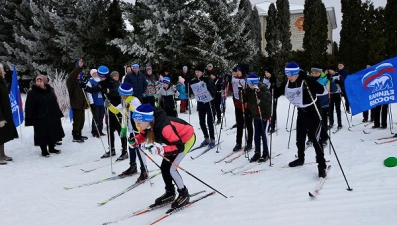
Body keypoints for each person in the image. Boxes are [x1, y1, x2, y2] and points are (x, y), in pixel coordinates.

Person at [131, 104, 196, 209]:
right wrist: (136, 140)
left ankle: (183, 193)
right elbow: (143, 135)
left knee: (172, 169)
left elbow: (179, 147)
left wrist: (161, 149)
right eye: (136, 121)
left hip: (185, 140)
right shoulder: (148, 124)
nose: (137, 124)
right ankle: (170, 192)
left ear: (148, 119)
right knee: (164, 167)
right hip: (173, 143)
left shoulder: (165, 128)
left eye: (140, 122)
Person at [275, 62, 328, 178]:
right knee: (300, 137)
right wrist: (271, 90)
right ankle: (300, 158)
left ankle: (321, 165)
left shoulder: (307, 80)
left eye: (293, 74)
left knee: (315, 137)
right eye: (288, 75)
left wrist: (311, 80)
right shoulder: (288, 82)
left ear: (298, 73)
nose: (291, 77)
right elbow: (277, 93)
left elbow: (321, 90)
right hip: (302, 111)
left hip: (314, 110)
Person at [113, 82, 148, 182]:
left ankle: (144, 170)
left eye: (121, 93)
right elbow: (116, 110)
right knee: (131, 147)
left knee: (139, 149)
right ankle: (133, 166)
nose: (120, 95)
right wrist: (109, 106)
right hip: (130, 128)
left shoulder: (135, 100)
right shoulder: (124, 101)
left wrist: (130, 107)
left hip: (138, 129)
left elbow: (139, 111)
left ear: (126, 93)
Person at [25, 75, 65, 157]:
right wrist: (29, 117)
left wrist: (58, 113)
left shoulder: (50, 91)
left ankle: (52, 148)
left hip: (52, 115)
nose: (39, 83)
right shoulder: (32, 93)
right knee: (42, 133)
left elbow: (55, 103)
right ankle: (44, 150)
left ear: (45, 82)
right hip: (39, 117)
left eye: (41, 81)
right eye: (37, 81)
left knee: (52, 131)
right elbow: (28, 106)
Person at [101, 70, 127, 158]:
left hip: (119, 109)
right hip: (110, 110)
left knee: (121, 130)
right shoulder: (108, 83)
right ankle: (111, 149)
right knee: (110, 130)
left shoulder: (119, 84)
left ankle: (124, 150)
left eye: (117, 76)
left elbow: (117, 91)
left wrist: (109, 91)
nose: (116, 78)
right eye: (114, 76)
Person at [245, 74, 271, 162]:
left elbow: (267, 101)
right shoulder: (249, 90)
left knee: (263, 134)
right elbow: (243, 100)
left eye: (253, 83)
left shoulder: (263, 88)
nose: (251, 86)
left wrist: (259, 93)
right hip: (256, 115)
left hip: (264, 115)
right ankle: (257, 152)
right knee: (256, 135)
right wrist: (241, 92)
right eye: (249, 83)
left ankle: (266, 152)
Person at [228, 63, 253, 152]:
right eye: (237, 71)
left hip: (247, 105)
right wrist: (228, 83)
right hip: (238, 104)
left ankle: (249, 142)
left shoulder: (249, 78)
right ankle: (238, 143)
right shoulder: (235, 78)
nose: (237, 72)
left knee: (249, 124)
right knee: (239, 124)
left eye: (239, 71)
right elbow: (231, 90)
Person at [190, 64, 217, 147]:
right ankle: (206, 137)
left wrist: (210, 93)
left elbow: (214, 90)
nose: (197, 73)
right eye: (196, 72)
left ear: (202, 72)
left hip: (209, 102)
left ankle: (212, 138)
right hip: (200, 102)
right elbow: (191, 91)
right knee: (201, 122)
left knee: (209, 122)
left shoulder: (207, 79)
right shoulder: (195, 80)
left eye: (198, 72)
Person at [0, 63, 18, 164]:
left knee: (2, 135)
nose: (4, 72)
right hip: (0, 115)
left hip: (4, 113)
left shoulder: (1, 82)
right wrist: (0, 118)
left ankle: (2, 154)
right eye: (3, 70)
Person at [66, 59, 87, 143]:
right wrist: (78, 67)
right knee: (77, 120)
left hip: (82, 104)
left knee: (82, 120)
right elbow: (72, 76)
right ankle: (75, 135)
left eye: (79, 74)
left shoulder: (80, 83)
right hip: (76, 104)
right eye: (77, 74)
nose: (78, 75)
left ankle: (79, 133)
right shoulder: (71, 82)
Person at [86, 69, 106, 137]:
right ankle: (95, 131)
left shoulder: (101, 80)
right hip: (95, 102)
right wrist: (91, 102)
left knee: (101, 117)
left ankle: (100, 130)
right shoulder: (90, 81)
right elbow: (89, 93)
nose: (95, 74)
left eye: (96, 73)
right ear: (92, 74)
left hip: (102, 102)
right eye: (93, 73)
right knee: (96, 117)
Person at [263, 66, 278, 133]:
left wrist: (273, 85)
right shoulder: (264, 79)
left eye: (267, 72)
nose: (265, 73)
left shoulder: (274, 78)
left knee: (272, 111)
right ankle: (267, 124)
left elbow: (277, 87)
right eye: (265, 72)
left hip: (272, 96)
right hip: (265, 97)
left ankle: (272, 125)